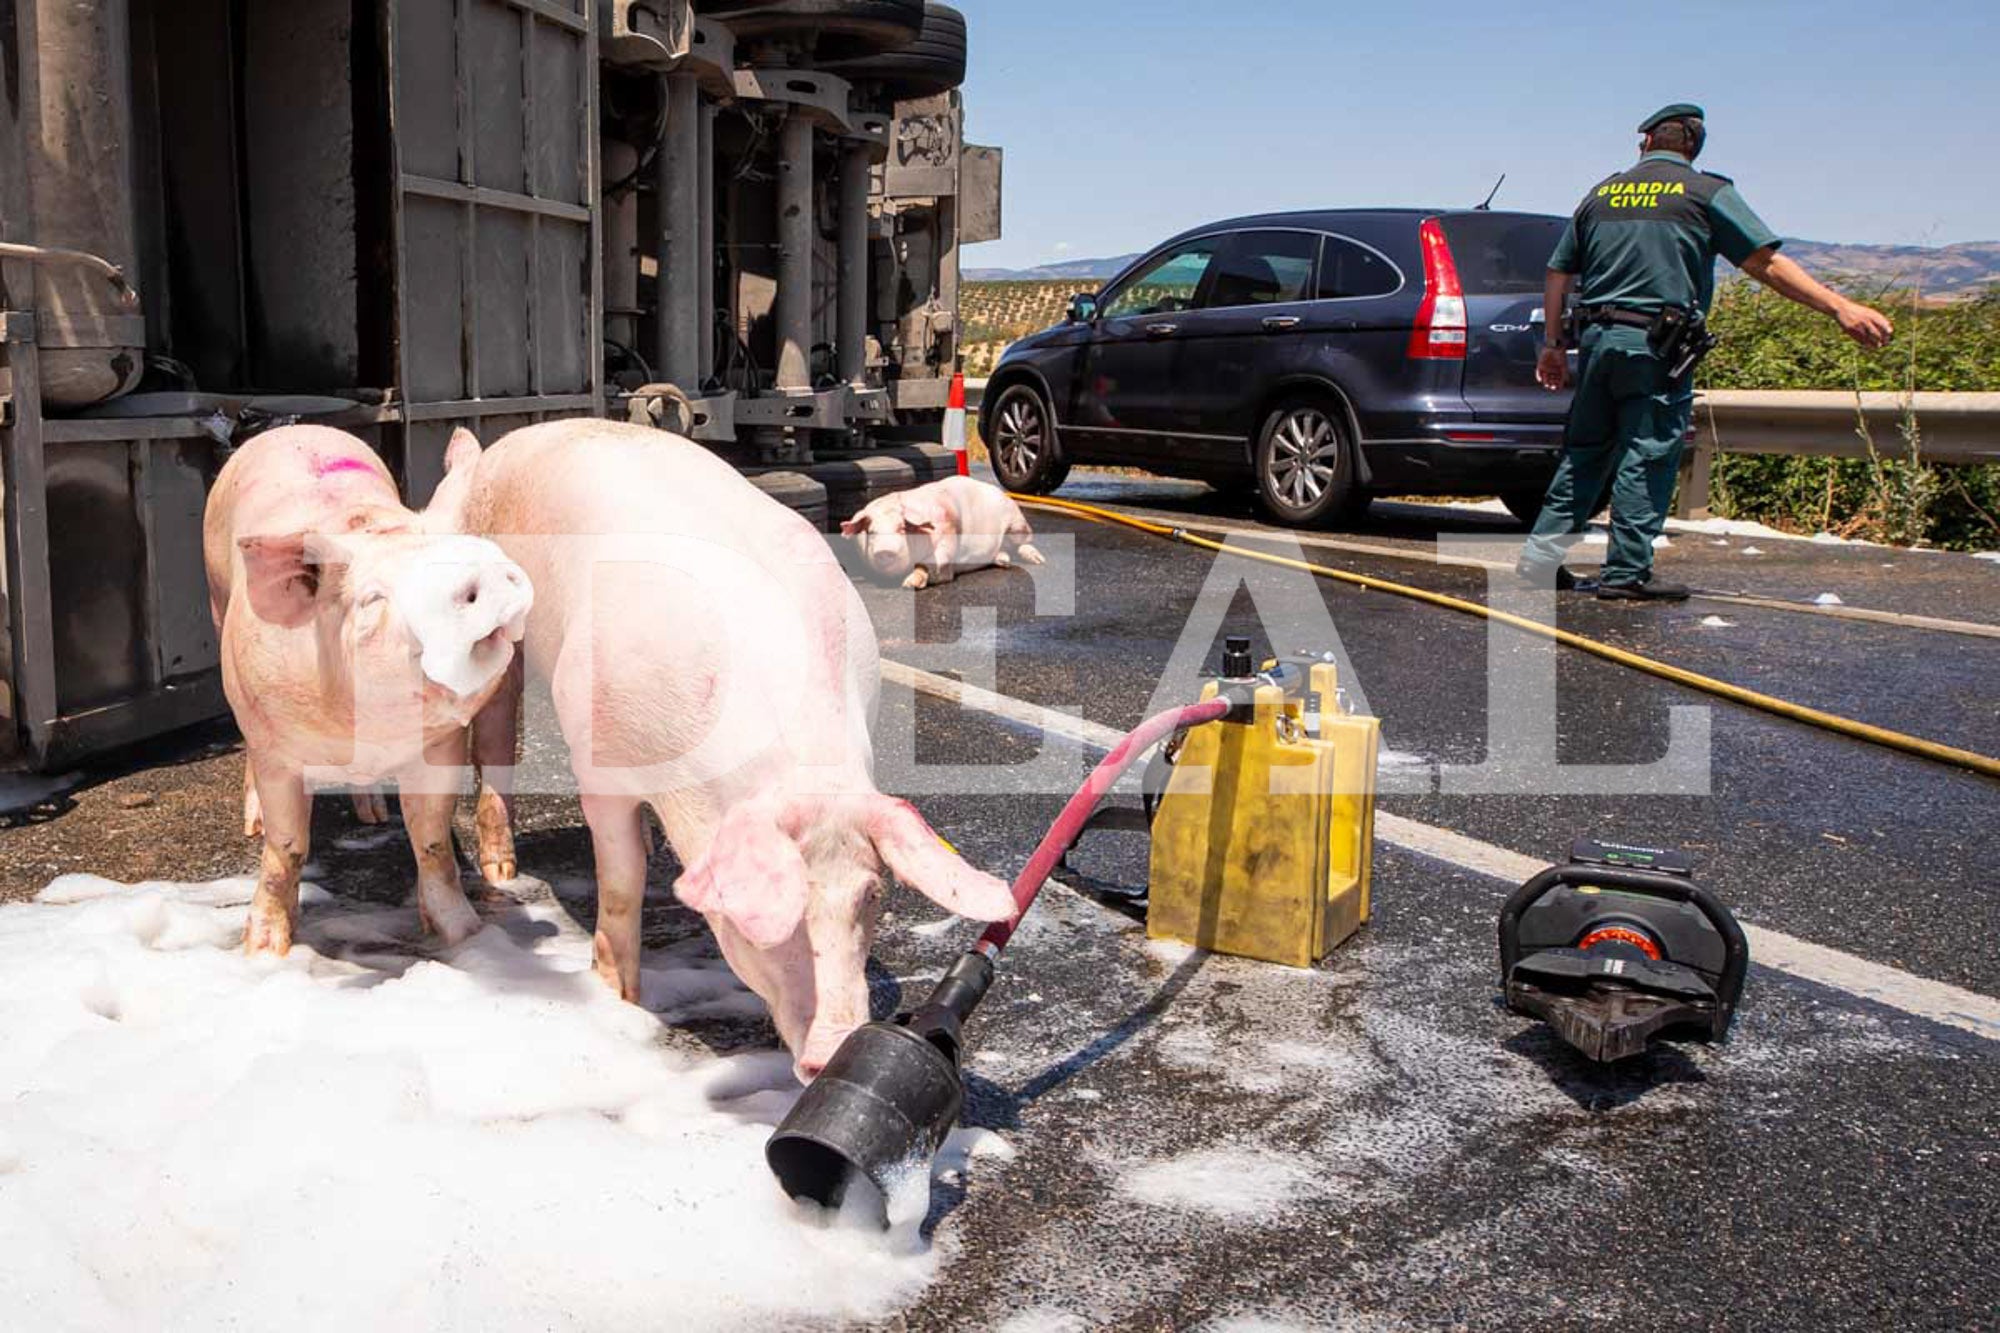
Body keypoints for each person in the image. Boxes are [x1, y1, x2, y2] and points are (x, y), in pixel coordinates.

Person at [1518, 103, 1895, 600]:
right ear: (1692, 148)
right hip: (1656, 346)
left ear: (1646, 143)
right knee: (1647, 451)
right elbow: (1765, 263)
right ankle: (1627, 572)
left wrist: (1551, 344)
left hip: (1597, 342)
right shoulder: (1706, 192)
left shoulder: (1601, 194)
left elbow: (1557, 272)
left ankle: (1540, 561)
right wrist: (1839, 307)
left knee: (1586, 450)